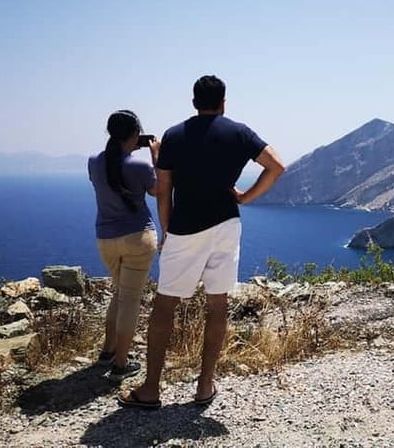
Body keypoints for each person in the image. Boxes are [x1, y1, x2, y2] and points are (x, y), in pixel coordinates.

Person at [119, 75, 285, 408]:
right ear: (224, 102)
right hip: (227, 224)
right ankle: (205, 386)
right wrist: (245, 197)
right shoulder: (239, 133)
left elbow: (164, 189)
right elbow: (276, 166)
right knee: (217, 303)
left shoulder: (174, 135)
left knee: (165, 305)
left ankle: (151, 389)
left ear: (194, 102)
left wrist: (167, 228)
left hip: (186, 226)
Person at [88, 110, 160, 382]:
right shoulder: (140, 167)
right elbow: (158, 190)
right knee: (129, 298)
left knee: (120, 293)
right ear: (135, 134)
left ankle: (107, 352)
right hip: (138, 238)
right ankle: (120, 364)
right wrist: (156, 157)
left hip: (106, 239)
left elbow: (109, 176)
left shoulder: (94, 162)